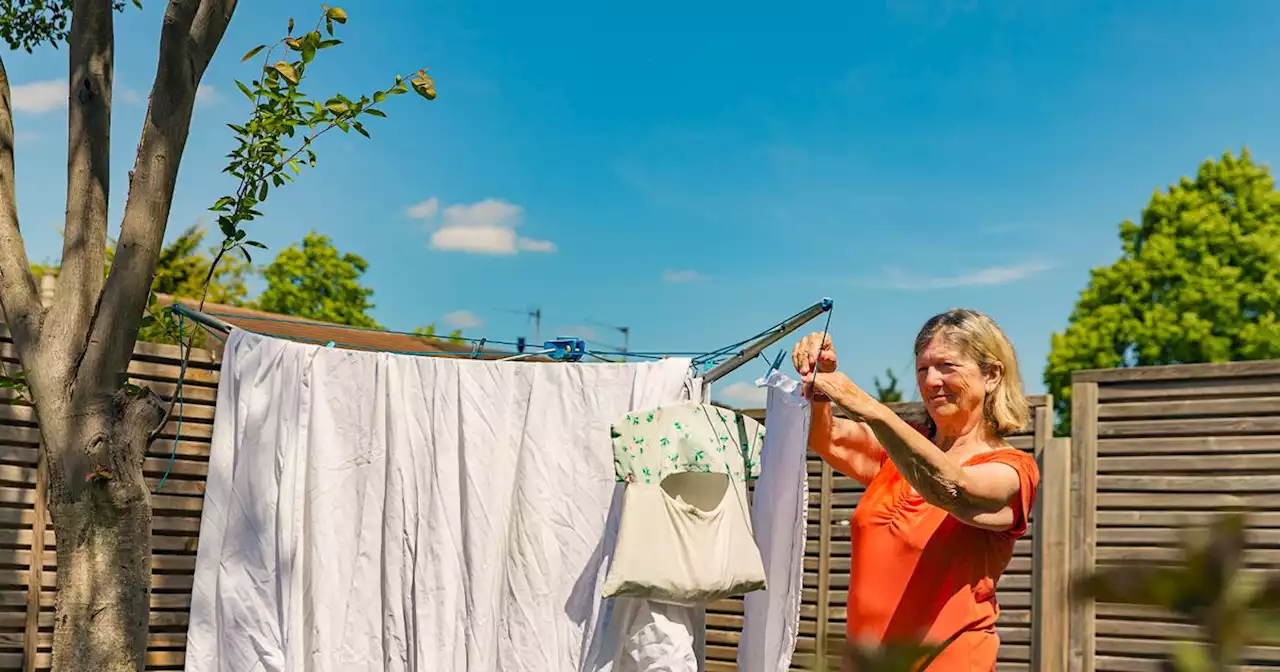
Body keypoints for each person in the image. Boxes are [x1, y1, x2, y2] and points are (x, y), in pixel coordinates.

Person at [791, 308, 1039, 671]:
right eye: (922, 369)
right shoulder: (898, 452)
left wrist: (870, 409)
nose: (931, 380)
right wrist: (820, 385)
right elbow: (825, 436)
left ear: (992, 374)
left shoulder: (1014, 469)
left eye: (946, 366)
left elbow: (954, 488)